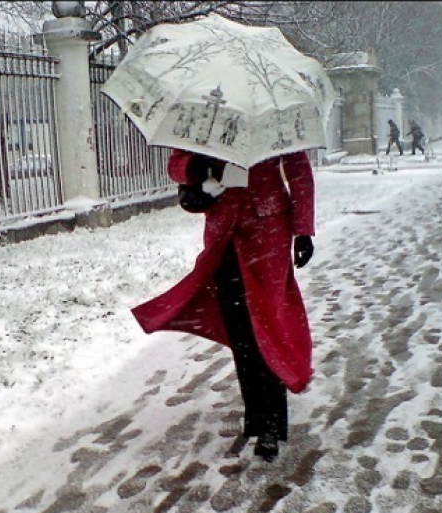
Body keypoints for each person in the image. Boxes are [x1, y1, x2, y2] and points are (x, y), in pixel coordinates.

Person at [132, 149, 315, 462]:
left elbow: (298, 170)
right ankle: (255, 414)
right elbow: (175, 165)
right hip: (223, 234)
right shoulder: (208, 114)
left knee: (267, 323)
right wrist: (198, 166)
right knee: (239, 326)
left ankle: (272, 423)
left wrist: (303, 230)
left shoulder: (274, 116)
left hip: (268, 232)